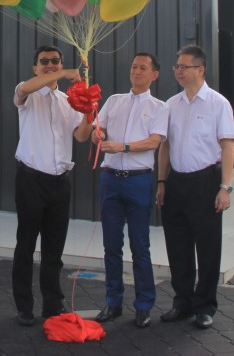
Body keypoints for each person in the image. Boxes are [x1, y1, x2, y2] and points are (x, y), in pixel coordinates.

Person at [155, 44, 234, 330]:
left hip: (205, 183)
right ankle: (182, 302)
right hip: (176, 183)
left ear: (200, 70)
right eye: (176, 66)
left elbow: (227, 146)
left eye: (184, 66)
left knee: (208, 247)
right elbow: (164, 146)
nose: (178, 71)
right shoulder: (171, 104)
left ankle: (205, 306)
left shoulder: (218, 103)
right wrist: (162, 181)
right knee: (177, 246)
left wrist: (225, 187)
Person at [12, 44, 94, 326]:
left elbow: (81, 136)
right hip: (31, 179)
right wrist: (69, 71)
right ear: (35, 67)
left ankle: (53, 302)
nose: (50, 65)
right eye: (44, 61)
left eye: (55, 61)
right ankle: (24, 305)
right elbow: (26, 89)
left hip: (60, 183)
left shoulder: (66, 100)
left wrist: (88, 112)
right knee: (25, 245)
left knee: (54, 248)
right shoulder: (26, 91)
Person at [90, 53, 168, 328]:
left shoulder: (160, 107)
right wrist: (97, 134)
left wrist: (122, 147)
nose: (136, 71)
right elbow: (96, 131)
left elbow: (154, 142)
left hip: (139, 181)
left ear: (154, 75)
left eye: (143, 68)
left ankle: (144, 305)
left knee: (140, 245)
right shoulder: (114, 101)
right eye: (134, 66)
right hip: (111, 179)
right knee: (111, 245)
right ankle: (113, 302)